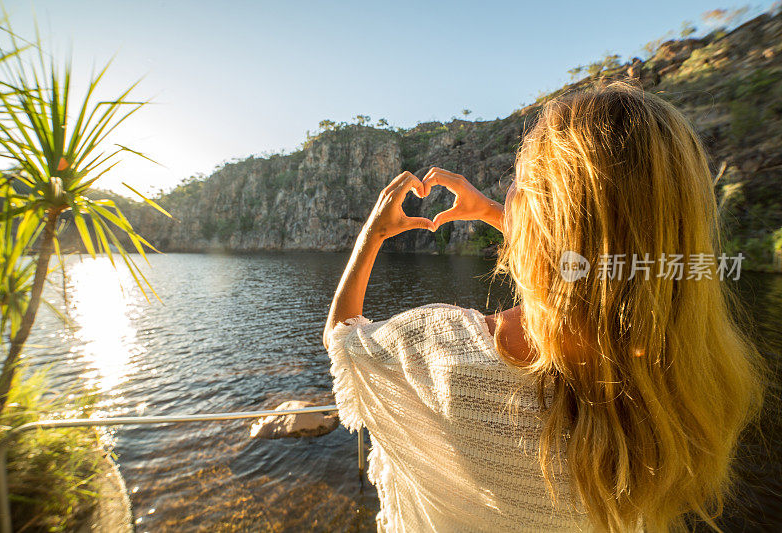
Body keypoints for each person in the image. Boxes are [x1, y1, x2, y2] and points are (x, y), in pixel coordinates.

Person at [322, 81, 766, 533]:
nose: (509, 190)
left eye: (517, 183)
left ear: (538, 214)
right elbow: (597, 261)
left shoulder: (443, 351)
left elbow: (341, 336)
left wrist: (371, 234)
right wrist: (497, 211)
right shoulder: (675, 379)